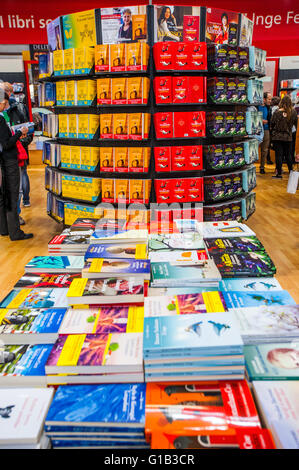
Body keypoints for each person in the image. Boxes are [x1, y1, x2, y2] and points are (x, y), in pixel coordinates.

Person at [0, 91, 33, 241]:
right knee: (12, 196)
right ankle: (15, 232)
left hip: (2, 161)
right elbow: (6, 144)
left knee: (4, 196)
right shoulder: (0, 120)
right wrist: (19, 133)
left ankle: (4, 229)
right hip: (9, 161)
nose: (5, 106)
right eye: (5, 103)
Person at [4, 82, 32, 209]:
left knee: (19, 183)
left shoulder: (18, 109)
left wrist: (22, 139)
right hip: (8, 153)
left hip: (18, 153)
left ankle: (19, 210)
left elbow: (28, 130)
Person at [270, 95, 298, 179]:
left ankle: (279, 174)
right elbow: (296, 125)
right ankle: (291, 173)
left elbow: (272, 123)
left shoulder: (277, 112)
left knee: (279, 156)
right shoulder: (293, 112)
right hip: (288, 137)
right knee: (289, 155)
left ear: (281, 102)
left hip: (277, 137)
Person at [258, 91, 272, 173]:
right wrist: (260, 120)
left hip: (266, 130)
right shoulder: (256, 107)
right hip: (258, 130)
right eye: (269, 99)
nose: (270, 101)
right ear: (264, 99)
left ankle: (262, 167)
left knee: (265, 150)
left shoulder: (268, 108)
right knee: (255, 148)